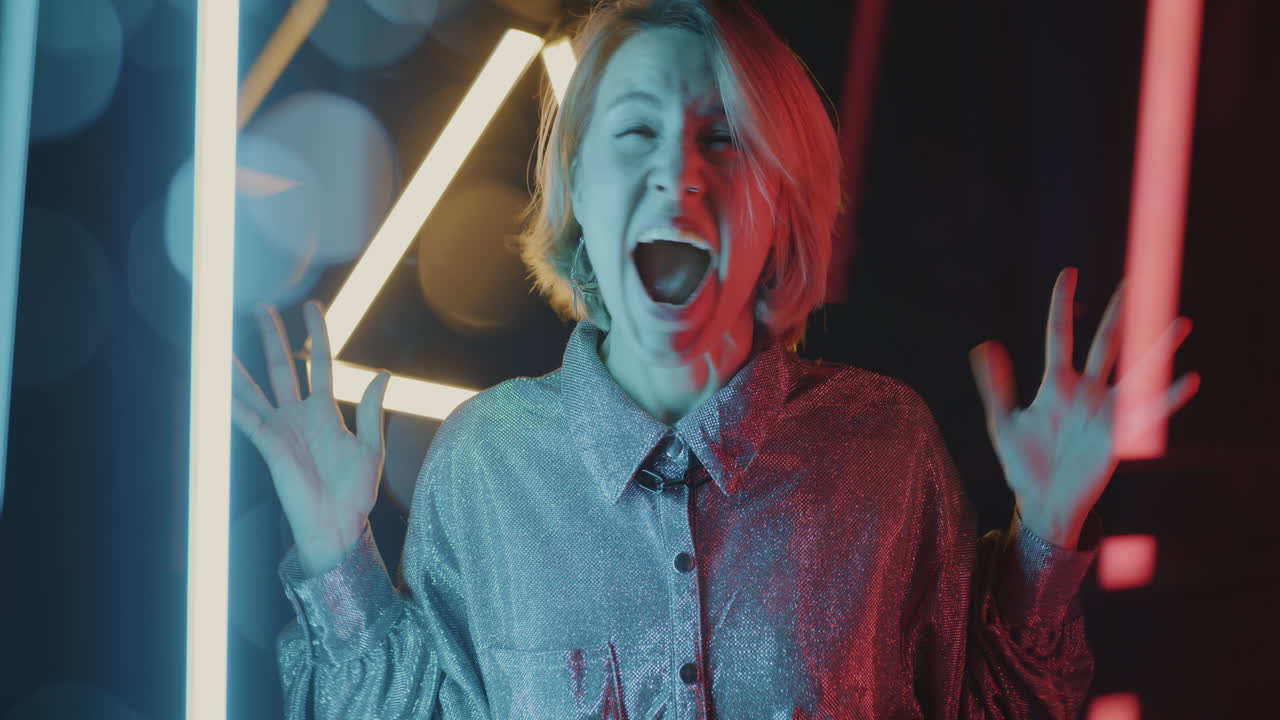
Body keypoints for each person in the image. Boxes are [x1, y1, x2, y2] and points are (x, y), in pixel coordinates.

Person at [231, 1, 1200, 717]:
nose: (677, 171)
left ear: (779, 203)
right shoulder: (487, 463)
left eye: (723, 138)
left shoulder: (885, 447)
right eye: (636, 130)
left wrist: (1050, 531)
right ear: (578, 184)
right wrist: (333, 555)